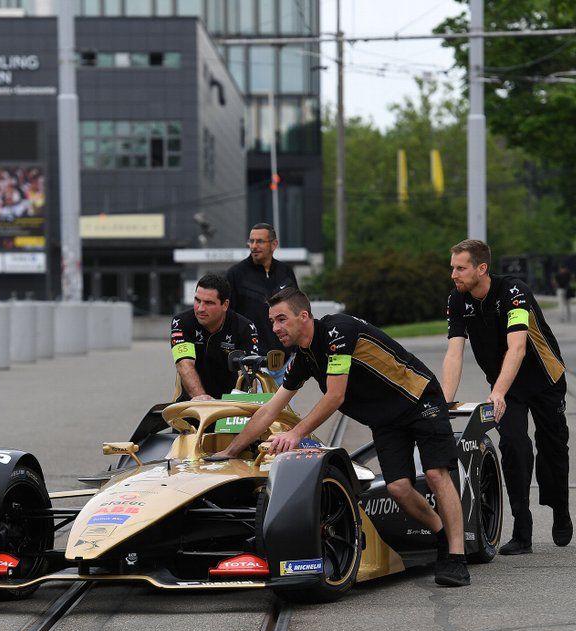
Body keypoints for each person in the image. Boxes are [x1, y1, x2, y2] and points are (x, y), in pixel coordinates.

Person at [213, 287, 469, 587]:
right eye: (272, 321)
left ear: (303, 316)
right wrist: (230, 451)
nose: (275, 328)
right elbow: (270, 409)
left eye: (281, 319)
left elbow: (335, 396)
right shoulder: (304, 358)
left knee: (436, 473)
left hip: (419, 399)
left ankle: (457, 556)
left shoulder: (337, 332)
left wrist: (296, 433)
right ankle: (440, 536)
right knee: (399, 488)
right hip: (386, 419)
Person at [443, 239, 572, 555]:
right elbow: (454, 354)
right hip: (507, 386)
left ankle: (560, 508)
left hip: (544, 379)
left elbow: (518, 347)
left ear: (481, 268)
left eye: (461, 268)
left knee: (552, 448)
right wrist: (443, 403)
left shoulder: (514, 292)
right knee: (514, 445)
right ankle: (522, 529)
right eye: (453, 268)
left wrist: (496, 392)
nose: (454, 275)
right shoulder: (457, 300)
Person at [226, 223, 298, 384]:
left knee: (285, 410)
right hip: (253, 363)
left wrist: (296, 349)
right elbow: (228, 318)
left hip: (285, 361)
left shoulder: (286, 272)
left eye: (259, 241)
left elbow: (296, 311)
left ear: (274, 244)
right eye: (251, 241)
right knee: (259, 410)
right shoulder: (236, 274)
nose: (254, 246)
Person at [170, 273, 259, 401]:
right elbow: (184, 365)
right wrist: (201, 397)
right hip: (193, 401)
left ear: (225, 305)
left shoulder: (245, 327)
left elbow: (247, 374)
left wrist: (238, 405)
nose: (200, 308)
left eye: (208, 303)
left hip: (232, 402)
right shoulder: (181, 322)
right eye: (197, 300)